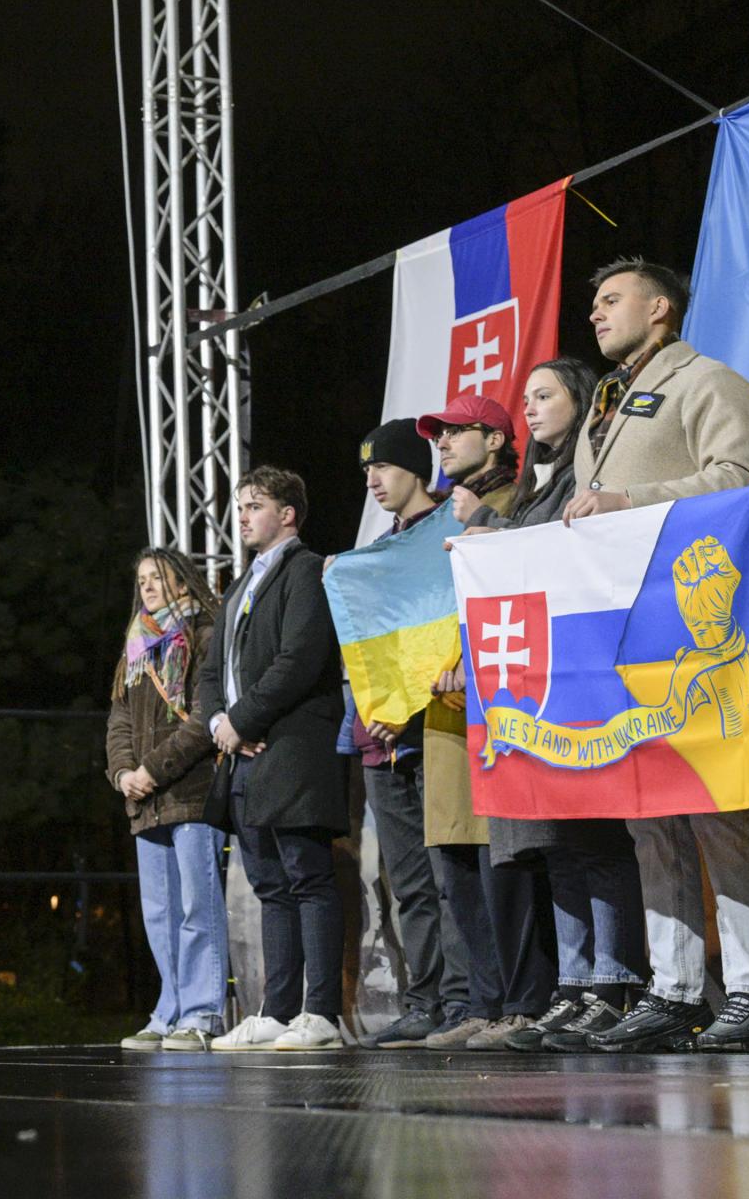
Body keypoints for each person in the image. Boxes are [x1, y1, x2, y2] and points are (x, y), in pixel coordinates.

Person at [558, 257, 749, 1054]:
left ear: (660, 309)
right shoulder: (606, 405)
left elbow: (740, 478)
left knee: (717, 807)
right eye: (593, 302)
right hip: (628, 631)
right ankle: (675, 988)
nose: (594, 313)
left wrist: (629, 501)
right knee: (649, 810)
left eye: (610, 299)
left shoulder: (708, 381)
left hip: (696, 623)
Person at [450, 359, 650, 1053]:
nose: (529, 409)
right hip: (539, 680)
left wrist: (495, 541)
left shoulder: (585, 479)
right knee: (556, 843)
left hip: (584, 672)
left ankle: (615, 978)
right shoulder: (535, 486)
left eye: (545, 395)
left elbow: (575, 550)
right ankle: (574, 984)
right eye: (525, 398)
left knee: (595, 837)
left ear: (583, 398)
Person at [410, 395, 556, 1051]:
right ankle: (485, 998)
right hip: (443, 711)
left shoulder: (518, 502)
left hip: (505, 702)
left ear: (495, 441)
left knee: (509, 858)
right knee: (456, 860)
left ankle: (526, 1001)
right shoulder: (444, 515)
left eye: (455, 432)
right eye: (436, 435)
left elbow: (531, 580)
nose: (441, 443)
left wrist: (489, 520)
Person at [198, 467, 349, 1052]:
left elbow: (300, 658)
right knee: (269, 884)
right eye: (239, 507)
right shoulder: (239, 585)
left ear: (288, 513)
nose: (242, 517)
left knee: (307, 876)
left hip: (293, 746)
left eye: (254, 506)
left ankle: (321, 1013)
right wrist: (220, 723)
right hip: (244, 752)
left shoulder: (305, 570)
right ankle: (278, 1010)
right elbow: (213, 671)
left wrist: (244, 720)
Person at [345, 420, 472, 1050]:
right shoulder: (377, 553)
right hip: (380, 739)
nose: (373, 480)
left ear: (417, 470)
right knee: (409, 882)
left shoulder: (453, 526)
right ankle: (423, 999)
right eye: (367, 470)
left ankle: (462, 999)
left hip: (438, 727)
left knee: (452, 874)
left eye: (385, 467)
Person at [107, 548, 228, 1053]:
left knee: (197, 904)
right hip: (145, 800)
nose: (148, 587)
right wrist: (121, 774)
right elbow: (117, 721)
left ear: (182, 582)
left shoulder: (203, 635)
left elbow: (203, 720)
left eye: (157, 577)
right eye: (141, 580)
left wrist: (151, 771)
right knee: (159, 912)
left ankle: (202, 1011)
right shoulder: (136, 646)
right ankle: (170, 1009)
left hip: (189, 792)